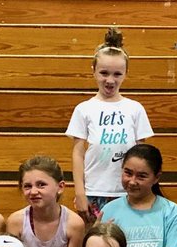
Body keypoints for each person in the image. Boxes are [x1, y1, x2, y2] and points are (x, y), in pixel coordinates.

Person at [67, 28, 153, 222]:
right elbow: (78, 153)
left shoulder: (135, 109)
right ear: (94, 71)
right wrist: (80, 192)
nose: (110, 80)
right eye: (104, 73)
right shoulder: (84, 109)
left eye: (117, 74)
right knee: (97, 243)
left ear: (125, 73)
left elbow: (142, 154)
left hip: (128, 191)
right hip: (94, 190)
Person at [99, 144, 177, 247]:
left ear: (156, 177)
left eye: (141, 176)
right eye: (128, 173)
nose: (132, 181)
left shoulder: (172, 212)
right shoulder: (109, 210)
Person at [6, 155, 86, 247]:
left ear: (60, 187)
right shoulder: (15, 221)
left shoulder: (74, 224)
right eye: (27, 186)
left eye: (41, 185)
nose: (34, 191)